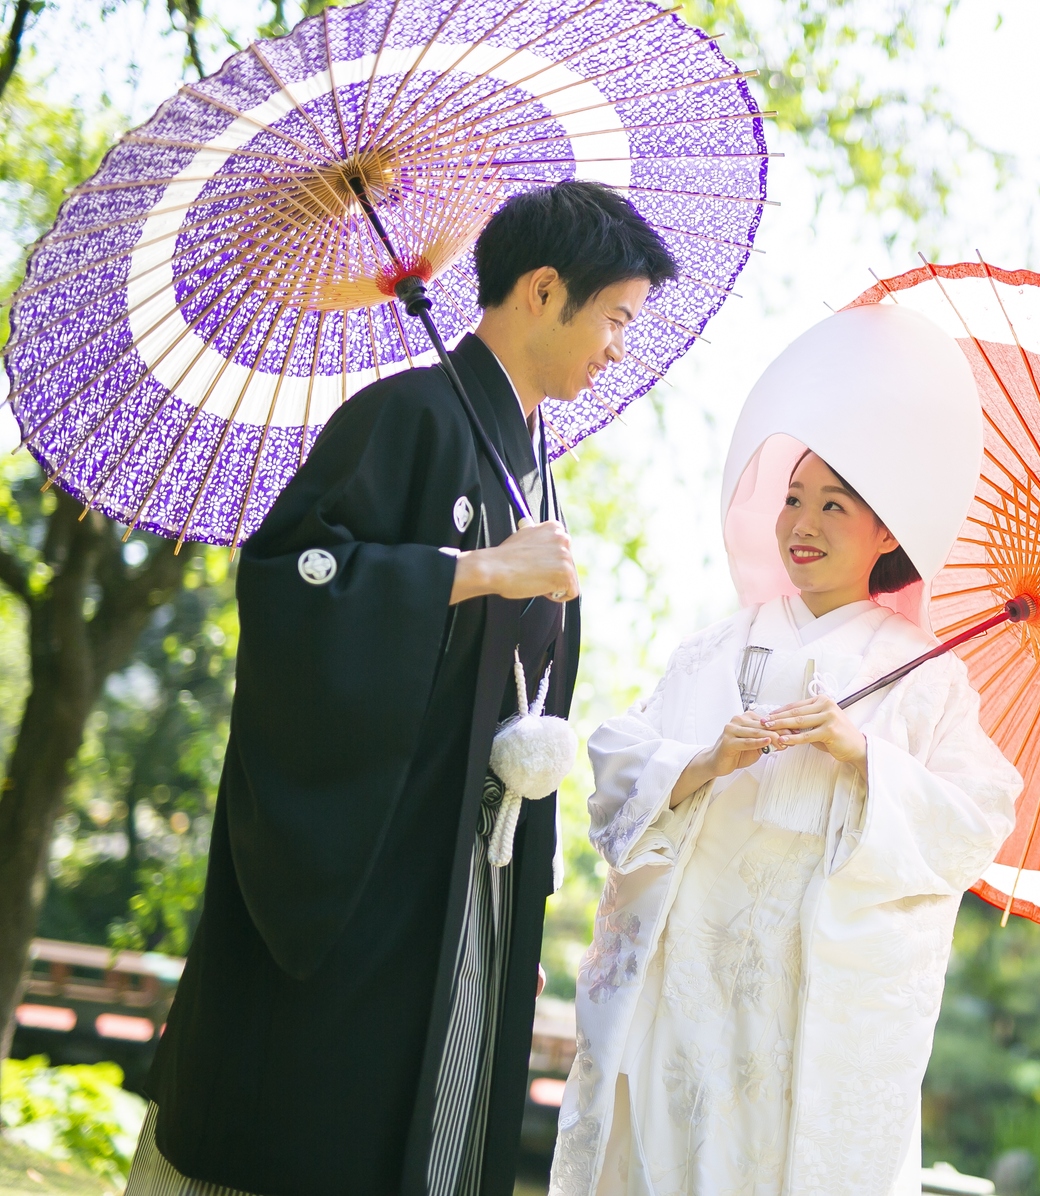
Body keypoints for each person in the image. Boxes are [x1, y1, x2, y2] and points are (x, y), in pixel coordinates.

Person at [126, 181, 677, 1196]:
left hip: (468, 870)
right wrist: (472, 571)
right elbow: (289, 581)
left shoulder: (529, 462)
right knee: (319, 1128)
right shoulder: (404, 415)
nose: (617, 347)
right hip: (368, 864)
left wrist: (511, 899)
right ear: (544, 289)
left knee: (437, 1127)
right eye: (614, 318)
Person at [549, 306, 1025, 1196]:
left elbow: (976, 818)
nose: (802, 523)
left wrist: (865, 759)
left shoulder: (921, 679)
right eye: (793, 500)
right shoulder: (713, 649)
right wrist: (702, 763)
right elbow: (618, 761)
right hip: (688, 985)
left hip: (811, 1004)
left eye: (833, 506)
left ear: (887, 533)